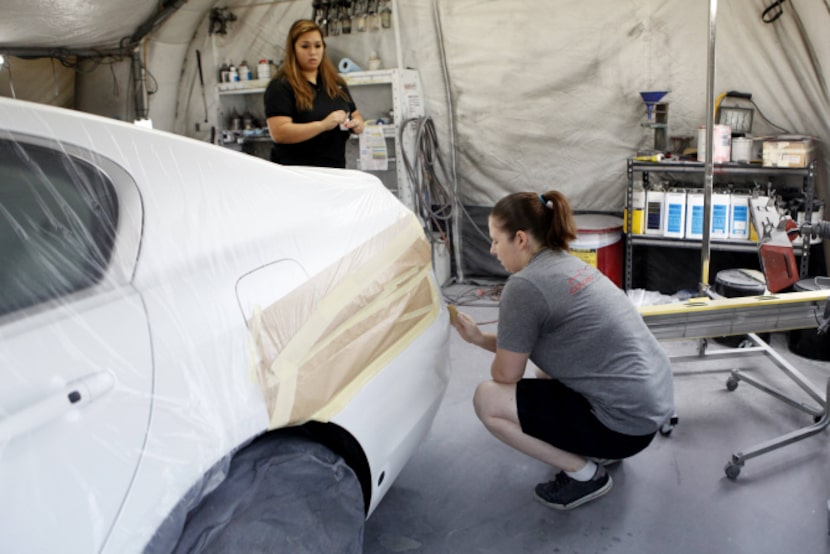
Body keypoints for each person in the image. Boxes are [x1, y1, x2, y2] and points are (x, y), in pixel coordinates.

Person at [451, 190, 675, 510]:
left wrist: (493, 346)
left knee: (488, 399)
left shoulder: (524, 285)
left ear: (520, 239)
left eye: (495, 240)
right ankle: (600, 450)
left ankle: (585, 474)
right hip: (648, 410)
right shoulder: (566, 263)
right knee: (545, 369)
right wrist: (477, 338)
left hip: (625, 427)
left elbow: (506, 373)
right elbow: (529, 345)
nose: (492, 250)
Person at [264, 19, 365, 168]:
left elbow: (355, 115)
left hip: (334, 172)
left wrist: (357, 125)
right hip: (297, 176)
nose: (312, 52)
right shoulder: (280, 86)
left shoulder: (336, 83)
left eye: (317, 46)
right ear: (293, 49)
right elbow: (280, 133)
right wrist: (322, 125)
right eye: (305, 46)